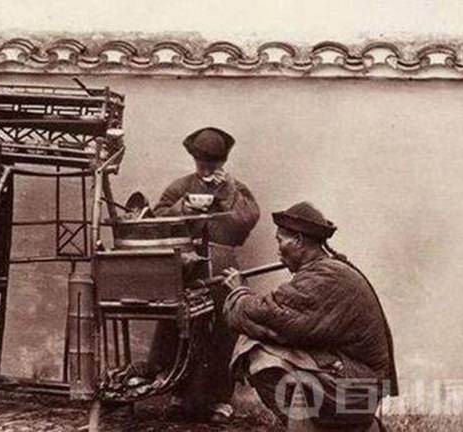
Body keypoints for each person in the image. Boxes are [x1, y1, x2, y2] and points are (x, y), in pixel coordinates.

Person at [222, 202, 398, 430]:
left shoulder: (326, 276)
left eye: (280, 241)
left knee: (256, 351)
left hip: (361, 393)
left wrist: (238, 292)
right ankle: (351, 427)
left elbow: (267, 315)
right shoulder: (327, 270)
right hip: (361, 385)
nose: (278, 250)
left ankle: (337, 426)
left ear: (298, 240)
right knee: (266, 343)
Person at [147, 126, 261, 424]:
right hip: (185, 265)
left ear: (223, 162)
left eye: (213, 164)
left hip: (222, 265)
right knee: (180, 329)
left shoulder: (236, 188)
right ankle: (177, 395)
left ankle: (220, 399)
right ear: (194, 160)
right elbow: (156, 221)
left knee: (222, 330)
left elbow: (247, 222)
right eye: (202, 164)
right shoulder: (181, 186)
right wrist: (182, 208)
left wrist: (228, 192)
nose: (207, 170)